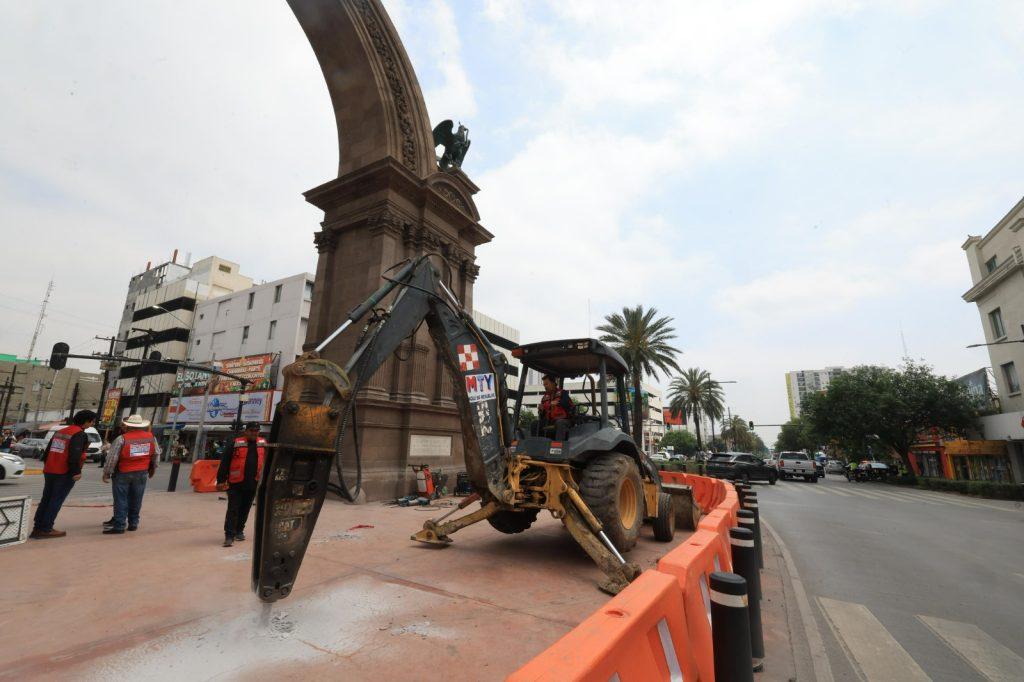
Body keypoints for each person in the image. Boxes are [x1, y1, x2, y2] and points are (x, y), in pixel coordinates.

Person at [31, 410, 96, 539]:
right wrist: (76, 472)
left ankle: (38, 528)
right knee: (56, 500)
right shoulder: (79, 434)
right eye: (92, 421)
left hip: (50, 470)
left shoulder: (60, 431)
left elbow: (47, 452)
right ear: (86, 422)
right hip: (64, 472)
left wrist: (47, 465)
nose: (92, 423)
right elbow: (75, 454)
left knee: (46, 499)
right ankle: (46, 529)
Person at [102, 414, 160, 534]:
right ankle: (133, 523)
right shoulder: (151, 437)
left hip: (123, 472)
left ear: (128, 426)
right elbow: (156, 454)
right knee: (137, 499)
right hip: (142, 472)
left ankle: (119, 525)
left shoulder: (122, 439)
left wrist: (107, 472)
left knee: (120, 499)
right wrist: (153, 468)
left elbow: (112, 457)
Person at [217, 422, 266, 548]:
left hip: (253, 483)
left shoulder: (263, 443)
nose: (254, 433)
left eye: (256, 431)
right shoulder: (235, 443)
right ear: (246, 431)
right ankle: (229, 535)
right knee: (233, 509)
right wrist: (221, 480)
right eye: (252, 430)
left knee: (245, 508)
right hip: (236, 483)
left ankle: (239, 530)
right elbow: (225, 462)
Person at [538, 374, 574, 440]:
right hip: (550, 421)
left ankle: (558, 444)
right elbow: (542, 416)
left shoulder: (563, 393)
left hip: (565, 420)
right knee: (535, 424)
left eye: (546, 384)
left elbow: (567, 404)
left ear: (553, 383)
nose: (545, 386)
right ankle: (537, 444)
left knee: (560, 422)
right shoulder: (544, 397)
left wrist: (558, 403)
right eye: (544, 385)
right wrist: (541, 410)